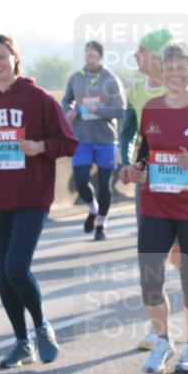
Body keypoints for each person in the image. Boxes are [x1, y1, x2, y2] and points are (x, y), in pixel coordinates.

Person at [0, 35, 78, 368]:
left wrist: (42, 147)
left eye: (2, 57)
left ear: (15, 59)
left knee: (16, 267)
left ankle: (42, 328)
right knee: (3, 274)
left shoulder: (38, 99)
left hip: (31, 197)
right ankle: (22, 343)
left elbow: (67, 141)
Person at [118, 41, 188, 374]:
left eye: (181, 67)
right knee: (150, 278)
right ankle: (163, 341)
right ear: (161, 72)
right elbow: (145, 153)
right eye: (168, 68)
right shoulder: (152, 109)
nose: (175, 74)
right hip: (156, 203)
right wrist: (134, 169)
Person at [62, 41, 126, 240]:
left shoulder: (110, 79)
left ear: (100, 56)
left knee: (104, 183)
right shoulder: (76, 78)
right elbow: (66, 100)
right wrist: (69, 112)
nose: (89, 55)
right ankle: (92, 208)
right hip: (81, 137)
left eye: (93, 52)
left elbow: (121, 109)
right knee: (81, 181)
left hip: (105, 138)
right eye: (87, 52)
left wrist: (97, 110)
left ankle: (101, 223)